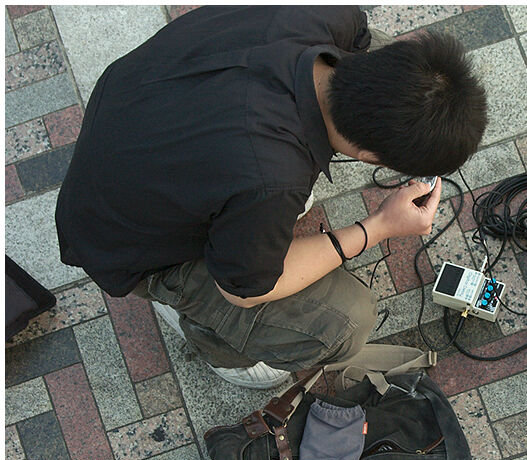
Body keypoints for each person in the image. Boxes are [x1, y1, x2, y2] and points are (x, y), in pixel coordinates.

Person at [55, 6, 488, 389]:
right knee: (346, 321)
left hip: (133, 111)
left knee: (256, 201)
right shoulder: (270, 180)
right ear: (370, 156)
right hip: (117, 236)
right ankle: (216, 342)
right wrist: (378, 227)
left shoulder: (326, 15)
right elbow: (245, 291)